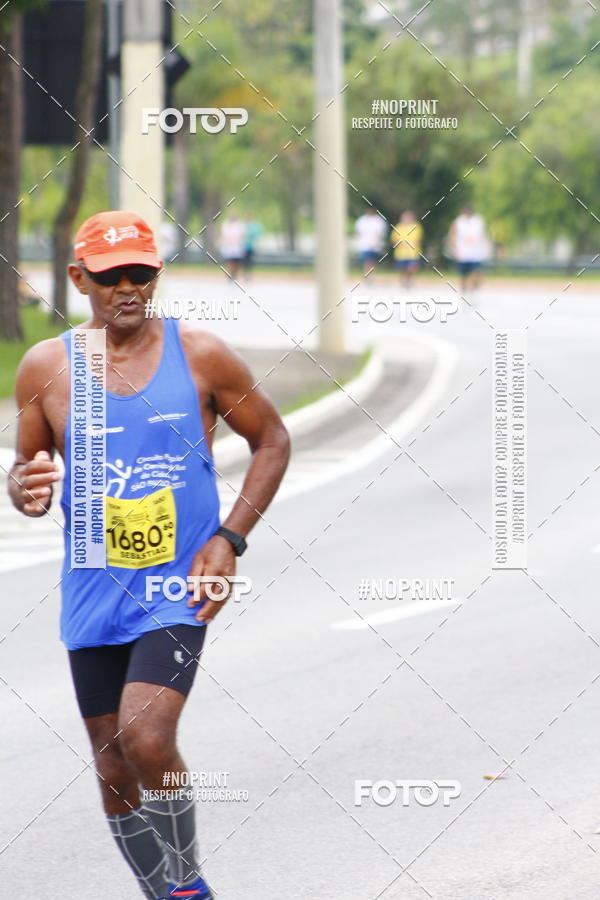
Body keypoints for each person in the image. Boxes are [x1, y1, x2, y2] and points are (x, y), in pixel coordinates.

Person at [7, 210, 290, 900]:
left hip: (177, 583)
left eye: (141, 273)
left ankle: (188, 886)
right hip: (93, 589)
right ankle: (158, 892)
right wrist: (22, 488)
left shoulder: (201, 356)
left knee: (146, 735)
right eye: (110, 278)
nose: (128, 289)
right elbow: (28, 476)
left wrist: (228, 540)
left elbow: (273, 441)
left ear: (157, 274)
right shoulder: (45, 368)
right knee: (111, 762)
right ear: (79, 279)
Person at [448, 204, 489, 294]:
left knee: (476, 273)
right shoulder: (458, 221)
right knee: (463, 275)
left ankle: (474, 291)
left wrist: (485, 247)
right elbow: (451, 235)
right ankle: (464, 293)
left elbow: (483, 235)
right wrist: (454, 249)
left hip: (475, 253)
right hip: (463, 253)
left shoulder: (478, 220)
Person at [391, 210, 423, 289]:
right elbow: (394, 239)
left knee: (411, 268)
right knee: (401, 269)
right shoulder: (398, 227)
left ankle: (409, 280)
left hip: (413, 252)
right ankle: (403, 281)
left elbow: (418, 239)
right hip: (401, 253)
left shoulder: (416, 226)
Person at [354, 206, 387, 276]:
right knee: (367, 260)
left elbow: (382, 233)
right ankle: (367, 274)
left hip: (375, 245)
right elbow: (358, 232)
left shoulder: (378, 221)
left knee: (372, 261)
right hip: (365, 245)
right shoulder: (362, 220)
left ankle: (370, 274)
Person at [219, 214, 246, 278]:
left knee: (237, 262)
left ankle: (234, 273)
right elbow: (223, 235)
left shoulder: (239, 225)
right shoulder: (226, 224)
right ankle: (230, 274)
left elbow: (242, 235)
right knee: (230, 261)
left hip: (237, 246)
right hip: (229, 246)